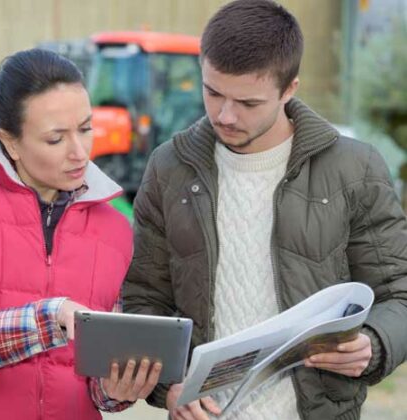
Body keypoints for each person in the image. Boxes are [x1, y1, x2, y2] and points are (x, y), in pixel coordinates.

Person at [122, 1, 407, 419]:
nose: (225, 114)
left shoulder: (355, 169)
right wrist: (170, 387)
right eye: (212, 92)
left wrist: (375, 342)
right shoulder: (169, 168)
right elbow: (145, 299)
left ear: (290, 88)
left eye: (248, 103)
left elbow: (399, 293)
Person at [0, 48, 161, 420]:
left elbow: (97, 389)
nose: (79, 153)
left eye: (86, 129)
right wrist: (46, 319)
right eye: (56, 139)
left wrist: (116, 390)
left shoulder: (116, 229)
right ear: (10, 142)